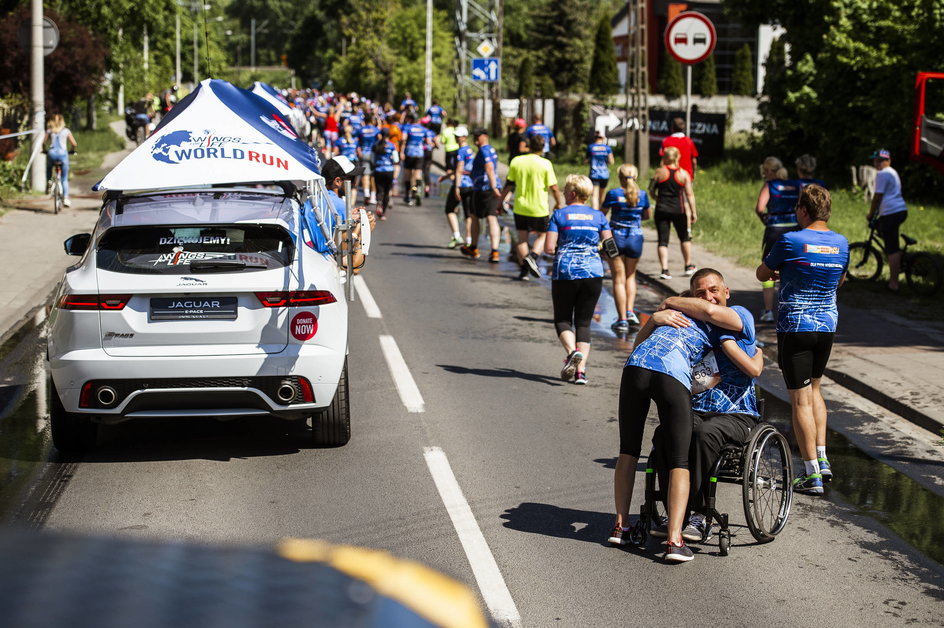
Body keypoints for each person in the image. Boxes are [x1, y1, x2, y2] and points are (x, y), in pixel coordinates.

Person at [609, 290, 742, 562]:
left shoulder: (666, 317)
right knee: (679, 460)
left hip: (635, 368)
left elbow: (637, 344)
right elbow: (710, 375)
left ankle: (620, 527)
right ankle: (674, 540)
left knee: (628, 450)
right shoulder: (715, 322)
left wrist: (655, 317)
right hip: (670, 373)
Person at [647, 269, 763, 542]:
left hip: (736, 413)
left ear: (726, 292)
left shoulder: (739, 316)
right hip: (696, 409)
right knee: (666, 434)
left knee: (703, 435)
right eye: (700, 294)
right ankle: (673, 512)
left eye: (713, 290)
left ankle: (698, 514)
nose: (708, 298)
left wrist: (671, 301)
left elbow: (712, 314)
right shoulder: (690, 328)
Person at [756, 184, 849, 495]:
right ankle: (822, 459)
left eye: (798, 207)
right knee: (816, 389)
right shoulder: (842, 243)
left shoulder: (791, 240)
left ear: (803, 210)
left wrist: (787, 273)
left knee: (798, 399)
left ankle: (811, 474)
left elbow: (762, 273)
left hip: (796, 325)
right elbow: (839, 279)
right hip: (827, 324)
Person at [544, 175, 612, 385]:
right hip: (593, 272)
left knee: (563, 319)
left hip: (566, 271)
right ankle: (581, 372)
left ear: (573, 193)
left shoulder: (559, 215)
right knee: (584, 322)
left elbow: (548, 247)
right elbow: (611, 247)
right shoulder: (598, 216)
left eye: (565, 190)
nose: (563, 193)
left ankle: (573, 352)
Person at [500, 134, 564, 280]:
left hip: (520, 207)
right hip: (539, 208)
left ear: (529, 145)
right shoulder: (546, 164)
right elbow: (554, 187)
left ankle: (524, 271)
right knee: (543, 235)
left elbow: (509, 185)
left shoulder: (517, 161)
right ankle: (533, 256)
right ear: (543, 148)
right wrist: (558, 202)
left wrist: (500, 202)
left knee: (522, 239)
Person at [602, 164, 650, 331]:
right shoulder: (642, 195)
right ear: (635, 177)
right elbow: (646, 215)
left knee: (618, 278)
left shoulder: (613, 194)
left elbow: (602, 215)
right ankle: (630, 312)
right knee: (631, 276)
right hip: (635, 237)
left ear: (620, 177)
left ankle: (621, 319)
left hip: (614, 238)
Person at [754, 156, 800, 322]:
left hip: (774, 229)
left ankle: (768, 311)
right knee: (792, 267)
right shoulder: (796, 185)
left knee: (768, 267)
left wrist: (765, 218)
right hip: (794, 229)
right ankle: (793, 308)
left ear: (767, 171)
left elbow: (759, 208)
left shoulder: (770, 185)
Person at [321, 156, 377, 273]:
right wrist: (364, 229)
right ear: (337, 181)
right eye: (351, 178)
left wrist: (350, 215)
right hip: (324, 261)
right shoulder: (339, 205)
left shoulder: (321, 196)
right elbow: (353, 266)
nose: (355, 183)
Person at [649, 146, 696, 279]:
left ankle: (664, 270)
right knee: (684, 237)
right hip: (678, 210)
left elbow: (651, 190)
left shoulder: (659, 172)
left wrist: (657, 199)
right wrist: (693, 212)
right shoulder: (683, 174)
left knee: (663, 240)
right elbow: (690, 195)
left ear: (664, 157)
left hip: (661, 209)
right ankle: (688, 266)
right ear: (678, 157)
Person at [866, 148, 909, 292]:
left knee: (891, 248)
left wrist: (871, 214)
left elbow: (877, 196)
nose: (876, 163)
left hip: (891, 212)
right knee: (883, 231)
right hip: (899, 210)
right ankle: (900, 257)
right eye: (875, 160)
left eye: (879, 160)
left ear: (887, 161)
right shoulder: (893, 172)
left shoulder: (883, 174)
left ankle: (894, 283)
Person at [460, 128, 502, 263]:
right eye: (474, 136)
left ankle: (474, 247)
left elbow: (489, 167)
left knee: (475, 216)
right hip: (490, 187)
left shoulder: (483, 150)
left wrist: (493, 186)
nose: (475, 139)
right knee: (492, 218)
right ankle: (495, 251)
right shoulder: (491, 149)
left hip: (483, 188)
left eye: (478, 136)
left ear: (485, 136)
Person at [444, 126, 473, 248]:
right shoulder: (470, 150)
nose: (456, 138)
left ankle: (457, 236)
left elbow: (459, 169)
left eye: (458, 137)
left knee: (449, 209)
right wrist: (447, 176)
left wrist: (456, 186)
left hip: (461, 184)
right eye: (455, 136)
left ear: (464, 137)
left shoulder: (460, 151)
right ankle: (469, 239)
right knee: (468, 213)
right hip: (470, 184)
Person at [44, 114, 77, 207]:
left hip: (52, 153)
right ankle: (66, 198)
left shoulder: (50, 131)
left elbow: (43, 142)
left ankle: (49, 181)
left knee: (49, 167)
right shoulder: (66, 131)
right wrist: (72, 150)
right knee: (64, 178)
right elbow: (74, 143)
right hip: (63, 154)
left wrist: (44, 149)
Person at [400, 113, 428, 206]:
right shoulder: (423, 129)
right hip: (419, 153)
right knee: (418, 174)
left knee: (408, 174)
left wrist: (401, 152)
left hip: (409, 153)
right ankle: (417, 190)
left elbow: (403, 139)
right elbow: (428, 141)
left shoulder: (407, 128)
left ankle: (408, 195)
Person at [372, 128, 399, 220]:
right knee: (387, 191)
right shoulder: (392, 145)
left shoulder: (376, 145)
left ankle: (379, 202)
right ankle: (383, 213)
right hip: (389, 170)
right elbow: (396, 159)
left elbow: (372, 158)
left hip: (378, 169)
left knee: (379, 190)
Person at [585, 130, 614, 209]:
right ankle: (601, 214)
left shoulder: (591, 147)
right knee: (602, 196)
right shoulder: (607, 148)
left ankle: (595, 214)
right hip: (604, 174)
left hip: (594, 174)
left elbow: (586, 161)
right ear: (603, 138)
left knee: (594, 196)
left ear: (595, 138)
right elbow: (611, 161)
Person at [356, 116, 380, 204]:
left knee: (365, 174)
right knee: (373, 175)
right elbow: (380, 140)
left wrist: (359, 152)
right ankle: (373, 196)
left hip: (364, 153)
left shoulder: (361, 130)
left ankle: (366, 193)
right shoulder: (376, 130)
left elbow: (357, 142)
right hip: (374, 154)